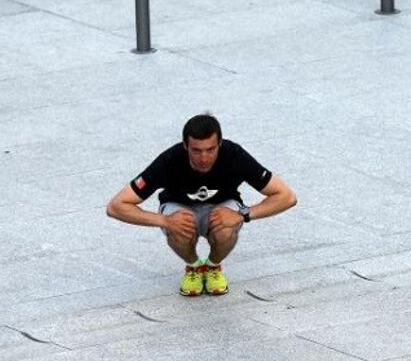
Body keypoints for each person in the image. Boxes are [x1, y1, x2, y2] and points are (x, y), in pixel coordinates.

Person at [106, 113, 297, 296]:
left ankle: (213, 266)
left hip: (223, 205)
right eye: (196, 150)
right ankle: (194, 267)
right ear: (185, 146)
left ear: (219, 144)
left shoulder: (234, 155)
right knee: (180, 227)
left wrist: (243, 214)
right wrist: (164, 220)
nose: (204, 158)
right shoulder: (169, 160)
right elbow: (116, 206)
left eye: (210, 149)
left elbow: (286, 197)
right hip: (179, 206)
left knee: (225, 227)